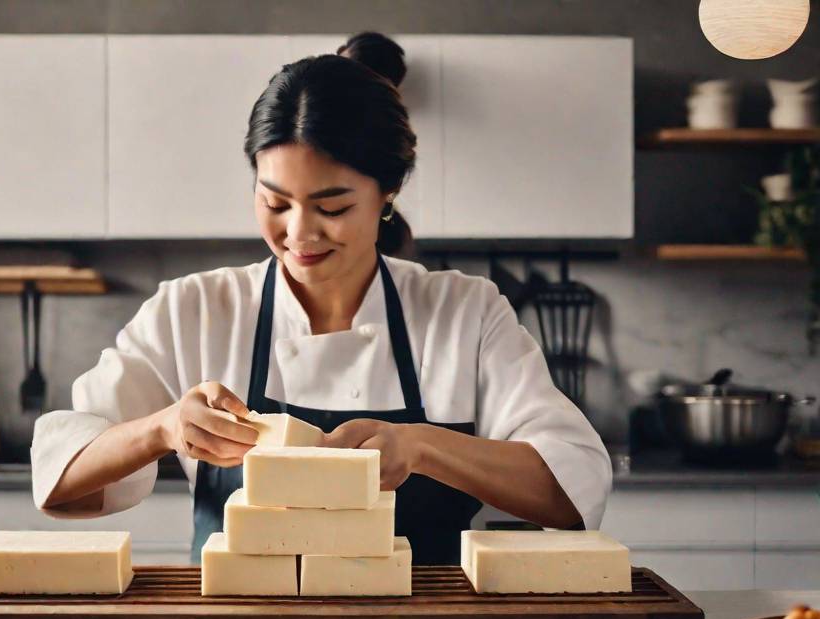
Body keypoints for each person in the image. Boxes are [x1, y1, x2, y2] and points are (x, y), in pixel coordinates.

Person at [31, 32, 612, 565]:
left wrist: (423, 446)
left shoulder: (466, 311)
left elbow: (573, 486)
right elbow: (61, 476)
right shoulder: (193, 310)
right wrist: (161, 428)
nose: (300, 234)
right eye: (275, 203)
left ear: (389, 192)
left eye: (333, 208)